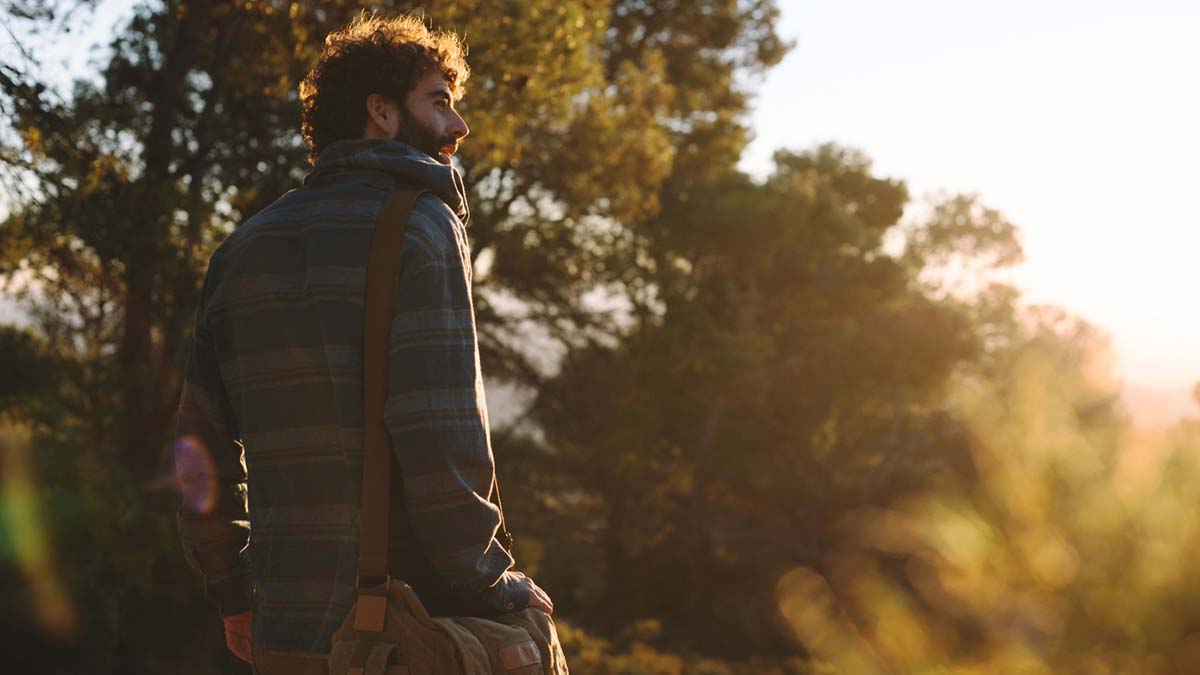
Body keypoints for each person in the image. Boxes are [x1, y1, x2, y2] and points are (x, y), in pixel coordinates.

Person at [173, 11, 552, 668]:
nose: (459, 125)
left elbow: (199, 444)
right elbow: (439, 432)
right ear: (381, 111)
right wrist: (492, 579)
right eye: (440, 102)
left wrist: (231, 589)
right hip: (402, 635)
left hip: (282, 633)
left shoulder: (239, 250)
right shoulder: (422, 224)